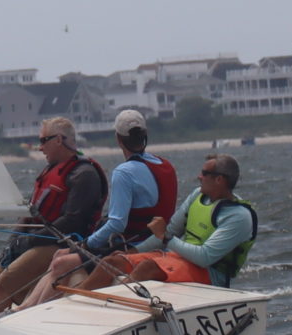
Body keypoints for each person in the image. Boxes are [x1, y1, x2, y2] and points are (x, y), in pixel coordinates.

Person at [13, 111, 178, 308]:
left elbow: (117, 223)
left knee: (61, 262)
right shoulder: (166, 165)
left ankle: (32, 311)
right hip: (158, 243)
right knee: (61, 257)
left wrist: (86, 244)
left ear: (118, 139)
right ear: (145, 135)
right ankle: (26, 308)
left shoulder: (124, 172)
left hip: (134, 246)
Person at [0, 117, 106, 324]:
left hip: (60, 244)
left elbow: (72, 222)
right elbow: (31, 212)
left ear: (58, 139)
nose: (39, 148)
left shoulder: (84, 174)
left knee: (4, 284)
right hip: (34, 241)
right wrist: (13, 242)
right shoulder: (49, 171)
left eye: (43, 140)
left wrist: (29, 241)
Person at [108, 154, 256, 287]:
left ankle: (111, 306)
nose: (199, 177)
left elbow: (204, 257)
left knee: (147, 267)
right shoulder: (197, 195)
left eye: (204, 173)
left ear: (219, 179)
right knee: (114, 262)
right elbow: (171, 231)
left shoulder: (239, 216)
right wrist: (131, 252)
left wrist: (165, 237)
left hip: (211, 275)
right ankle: (85, 302)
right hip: (179, 260)